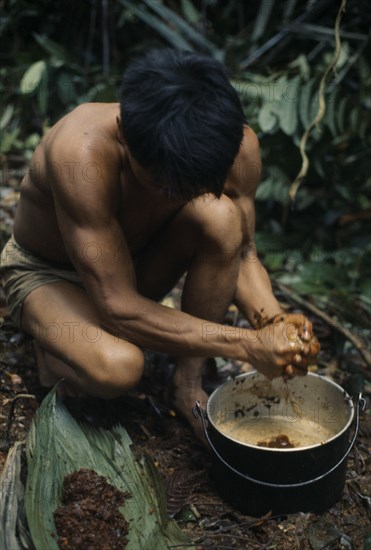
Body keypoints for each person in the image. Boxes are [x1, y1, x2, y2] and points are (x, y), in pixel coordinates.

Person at [1, 49, 319, 439]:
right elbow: (118, 307)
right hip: (49, 274)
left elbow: (244, 253)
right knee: (119, 367)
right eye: (163, 186)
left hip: (130, 268)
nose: (177, 197)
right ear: (123, 132)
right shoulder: (80, 153)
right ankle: (53, 352)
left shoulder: (235, 146)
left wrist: (279, 327)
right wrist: (248, 345)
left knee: (222, 218)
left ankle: (186, 386)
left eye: (193, 186)